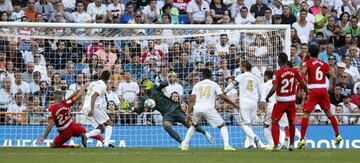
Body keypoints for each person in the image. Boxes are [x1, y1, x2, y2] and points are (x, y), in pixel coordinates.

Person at [120, 78, 213, 144]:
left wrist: (155, 84)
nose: (145, 87)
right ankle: (183, 143)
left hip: (175, 108)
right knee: (166, 126)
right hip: (167, 114)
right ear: (142, 88)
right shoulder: (145, 98)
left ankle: (206, 133)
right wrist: (130, 107)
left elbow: (166, 83)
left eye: (146, 85)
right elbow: (140, 110)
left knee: (190, 125)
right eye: (143, 86)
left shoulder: (155, 88)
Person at [181, 69, 239, 150]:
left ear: (202, 76)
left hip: (197, 108)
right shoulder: (214, 84)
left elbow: (191, 100)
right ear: (211, 76)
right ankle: (226, 145)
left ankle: (185, 145)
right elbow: (222, 97)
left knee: (194, 125)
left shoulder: (197, 85)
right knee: (222, 125)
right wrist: (235, 105)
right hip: (209, 108)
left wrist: (188, 113)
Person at [298, 44, 342, 149]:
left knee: (306, 114)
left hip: (312, 90)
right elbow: (334, 76)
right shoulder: (324, 63)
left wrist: (303, 85)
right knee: (329, 113)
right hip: (323, 90)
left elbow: (303, 72)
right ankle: (337, 135)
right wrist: (333, 86)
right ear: (318, 53)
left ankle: (302, 139)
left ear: (309, 53)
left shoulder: (308, 62)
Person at [265, 53, 308, 151]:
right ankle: (292, 144)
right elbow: (303, 83)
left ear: (279, 60)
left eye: (278, 59)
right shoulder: (294, 71)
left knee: (275, 121)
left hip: (281, 102)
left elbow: (274, 87)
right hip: (291, 102)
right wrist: (307, 93)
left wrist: (268, 96)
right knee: (291, 122)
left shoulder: (277, 72)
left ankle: (276, 145)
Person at [224, 60, 261, 149]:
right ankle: (251, 144)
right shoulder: (255, 77)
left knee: (243, 124)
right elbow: (260, 91)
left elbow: (232, 84)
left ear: (244, 67)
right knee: (249, 124)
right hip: (254, 102)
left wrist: (224, 92)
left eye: (241, 67)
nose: (240, 68)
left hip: (245, 101)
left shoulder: (241, 76)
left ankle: (254, 136)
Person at [82, 70, 115, 148]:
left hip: (85, 107)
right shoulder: (102, 85)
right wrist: (92, 109)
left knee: (101, 129)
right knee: (110, 123)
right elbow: (94, 96)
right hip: (94, 107)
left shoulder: (93, 83)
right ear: (108, 79)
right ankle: (106, 144)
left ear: (100, 76)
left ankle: (86, 135)